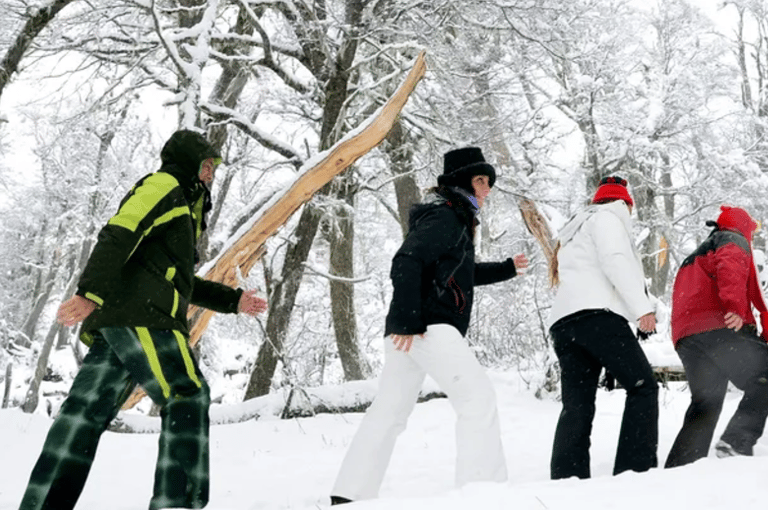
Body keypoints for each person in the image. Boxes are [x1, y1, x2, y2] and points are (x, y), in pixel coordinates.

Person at [19, 130, 268, 510]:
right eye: (205, 165)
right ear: (187, 163)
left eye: (213, 169)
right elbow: (120, 232)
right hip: (145, 318)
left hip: (122, 319)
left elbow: (179, 282)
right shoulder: (163, 185)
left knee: (83, 414)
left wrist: (233, 301)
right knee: (187, 392)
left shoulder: (182, 209)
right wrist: (90, 292)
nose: (211, 175)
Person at [329, 147, 529, 505]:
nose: (487, 189)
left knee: (389, 411)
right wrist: (409, 321)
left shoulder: (451, 217)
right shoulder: (446, 217)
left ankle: (349, 494)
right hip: (429, 327)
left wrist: (506, 268)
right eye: (480, 180)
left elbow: (461, 275)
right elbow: (406, 260)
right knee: (477, 398)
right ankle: (482, 492)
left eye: (489, 182)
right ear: (461, 180)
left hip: (411, 331)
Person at [547, 176, 658, 480]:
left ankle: (567, 476)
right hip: (598, 317)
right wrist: (642, 309)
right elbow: (616, 261)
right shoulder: (608, 218)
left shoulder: (574, 229)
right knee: (643, 386)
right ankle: (635, 469)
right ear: (625, 204)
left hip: (565, 323)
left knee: (577, 405)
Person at [665, 205, 768, 468]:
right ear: (743, 225)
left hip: (687, 337)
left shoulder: (696, 255)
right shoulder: (732, 238)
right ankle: (737, 441)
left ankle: (681, 467)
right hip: (720, 326)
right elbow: (729, 265)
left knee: (706, 403)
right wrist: (734, 306)